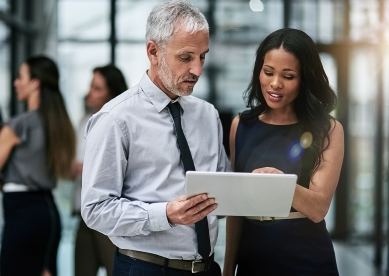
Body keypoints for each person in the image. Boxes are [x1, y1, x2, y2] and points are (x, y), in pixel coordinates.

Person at [81, 1, 231, 275]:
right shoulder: (115, 119)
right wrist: (164, 215)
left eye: (203, 57)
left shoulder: (208, 115)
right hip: (145, 268)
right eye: (186, 58)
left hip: (207, 268)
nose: (197, 70)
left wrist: (257, 184)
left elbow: (221, 191)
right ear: (153, 52)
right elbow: (95, 209)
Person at [223, 28, 344, 276]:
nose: (275, 83)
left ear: (304, 79)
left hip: (306, 259)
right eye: (268, 73)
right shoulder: (241, 125)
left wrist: (279, 184)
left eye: (288, 76)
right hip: (252, 257)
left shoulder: (328, 129)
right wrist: (227, 271)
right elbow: (236, 210)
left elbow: (318, 208)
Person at [0, 55, 76, 276]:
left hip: (22, 213)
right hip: (48, 214)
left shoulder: (19, 125)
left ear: (35, 83)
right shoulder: (57, 124)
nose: (16, 82)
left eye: (20, 76)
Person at [72, 65, 128, 276]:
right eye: (91, 86)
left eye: (97, 88)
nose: (89, 93)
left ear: (111, 94)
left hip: (110, 218)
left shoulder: (122, 124)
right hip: (83, 215)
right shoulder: (82, 123)